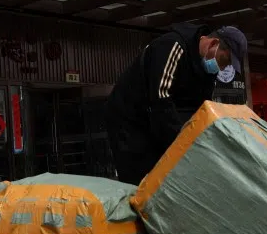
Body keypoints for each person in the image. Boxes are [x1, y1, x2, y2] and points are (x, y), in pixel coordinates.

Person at [106, 23, 247, 185]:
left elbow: (202, 110)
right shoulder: (173, 46)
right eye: (225, 60)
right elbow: (161, 99)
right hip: (129, 118)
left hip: (156, 119)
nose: (223, 67)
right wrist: (182, 145)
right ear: (214, 44)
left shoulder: (207, 73)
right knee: (143, 179)